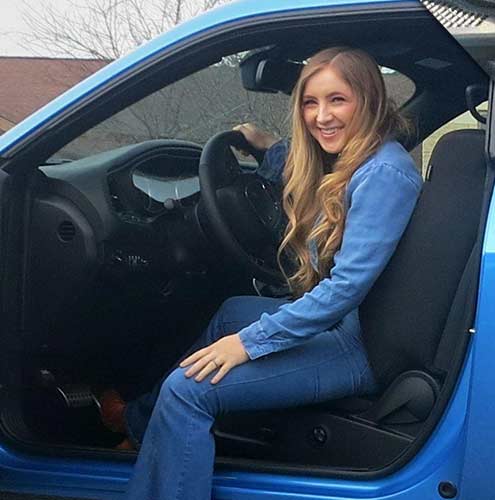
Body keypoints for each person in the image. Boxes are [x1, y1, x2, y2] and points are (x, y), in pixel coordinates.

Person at [104, 46, 422, 500]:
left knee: (186, 391)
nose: (321, 116)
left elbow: (346, 288)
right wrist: (264, 145)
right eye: (311, 103)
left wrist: (247, 344)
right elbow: (299, 159)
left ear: (367, 100)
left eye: (338, 100)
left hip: (358, 346)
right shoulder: (356, 160)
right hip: (346, 325)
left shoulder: (384, 175)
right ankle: (137, 426)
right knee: (233, 310)